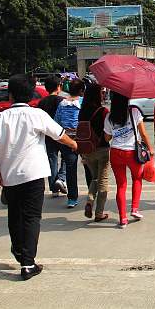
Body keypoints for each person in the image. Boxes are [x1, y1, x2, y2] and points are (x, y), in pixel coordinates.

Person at [0, 74, 77, 280]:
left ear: (10, 95)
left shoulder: (0, 117)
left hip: (9, 176)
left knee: (14, 216)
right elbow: (59, 134)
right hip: (34, 175)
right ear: (31, 93)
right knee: (32, 217)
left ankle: (19, 251)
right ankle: (28, 263)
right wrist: (75, 145)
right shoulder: (37, 115)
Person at [104, 91, 154, 228]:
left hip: (115, 152)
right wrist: (150, 148)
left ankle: (122, 219)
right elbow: (143, 133)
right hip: (132, 152)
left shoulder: (109, 116)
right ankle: (134, 209)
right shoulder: (134, 112)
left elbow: (107, 138)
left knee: (121, 185)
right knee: (137, 178)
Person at [78, 81, 111, 222]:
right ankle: (99, 213)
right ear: (97, 95)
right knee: (102, 180)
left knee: (94, 178)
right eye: (101, 92)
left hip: (87, 149)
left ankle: (90, 200)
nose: (103, 94)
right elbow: (107, 134)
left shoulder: (82, 111)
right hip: (102, 149)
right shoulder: (103, 111)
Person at [53, 78, 84, 208]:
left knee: (70, 170)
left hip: (66, 140)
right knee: (88, 166)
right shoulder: (83, 102)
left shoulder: (62, 104)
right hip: (83, 139)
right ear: (82, 90)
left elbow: (57, 121)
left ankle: (72, 198)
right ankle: (93, 193)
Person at [37, 77, 68, 197]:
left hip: (47, 135)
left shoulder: (41, 102)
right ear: (59, 87)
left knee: (52, 160)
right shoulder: (62, 101)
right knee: (66, 157)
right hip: (61, 133)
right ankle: (61, 178)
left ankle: (54, 189)